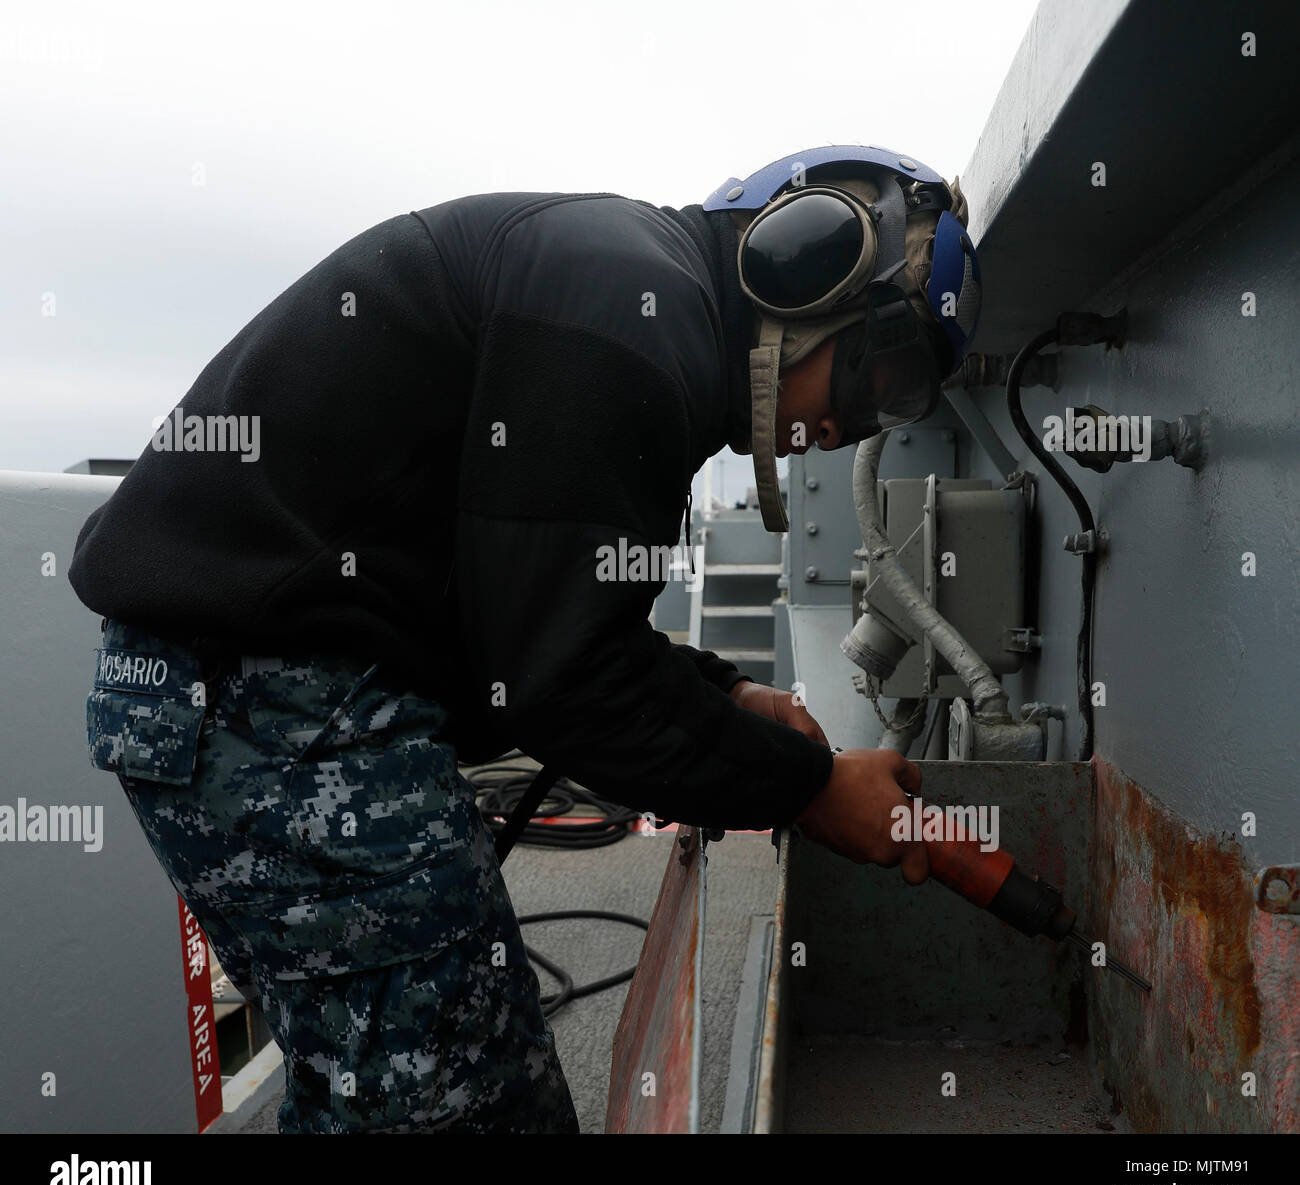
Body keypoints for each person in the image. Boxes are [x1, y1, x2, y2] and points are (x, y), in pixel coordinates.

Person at [68, 144, 981, 1133]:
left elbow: (534, 611)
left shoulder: (628, 292)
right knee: (466, 1108)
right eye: (876, 371)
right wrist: (809, 789)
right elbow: (562, 680)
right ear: (802, 264)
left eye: (898, 401)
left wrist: (718, 693)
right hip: (269, 708)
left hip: (254, 699)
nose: (853, 424)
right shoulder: (624, 321)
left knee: (385, 1089)